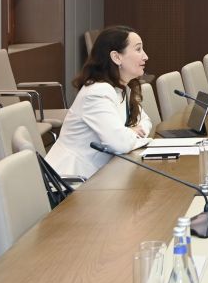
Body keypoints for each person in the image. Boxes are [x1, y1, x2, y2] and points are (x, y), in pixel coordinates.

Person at [46, 25, 152, 179]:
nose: (145, 56)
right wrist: (130, 132)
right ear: (116, 57)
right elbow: (120, 143)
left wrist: (128, 133)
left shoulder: (122, 88)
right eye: (138, 49)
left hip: (98, 175)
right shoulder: (97, 92)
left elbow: (145, 121)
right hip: (71, 181)